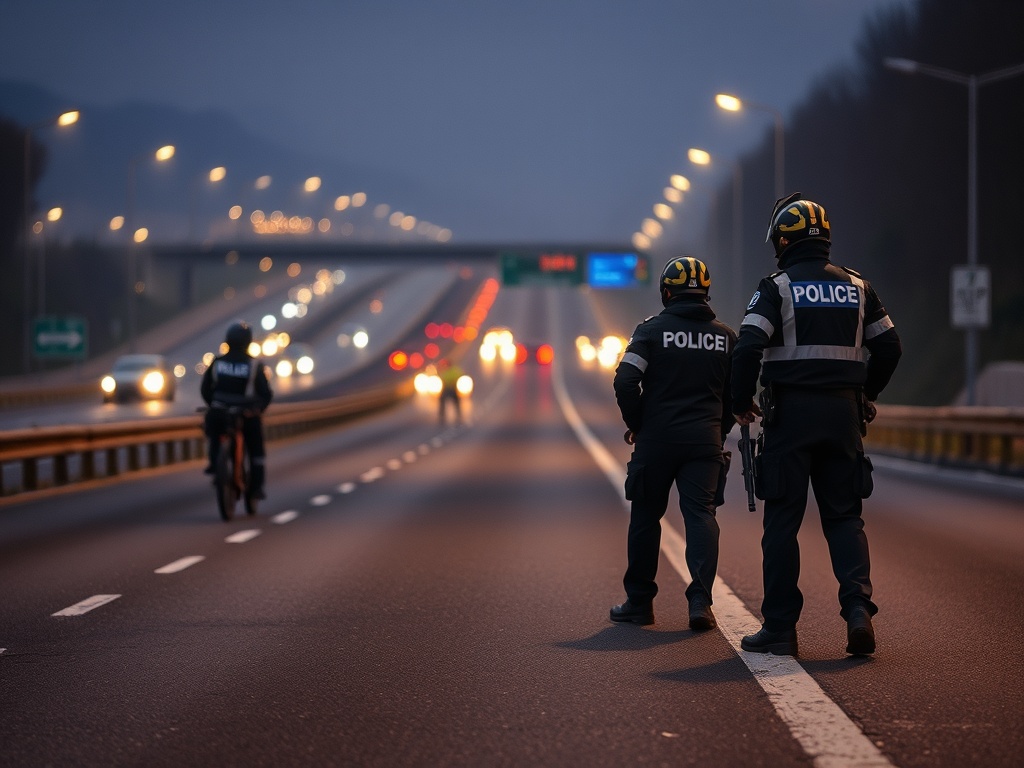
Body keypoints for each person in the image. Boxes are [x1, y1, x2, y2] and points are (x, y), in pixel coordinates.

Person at [732, 193, 902, 657]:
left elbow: (747, 347)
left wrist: (739, 400)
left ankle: (781, 629)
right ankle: (857, 612)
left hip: (790, 419)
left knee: (782, 523)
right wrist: (866, 394)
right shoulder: (857, 286)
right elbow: (889, 348)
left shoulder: (777, 287)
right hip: (843, 417)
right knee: (845, 518)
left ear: (782, 241)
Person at [610, 256, 736, 630]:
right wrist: (720, 428)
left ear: (667, 292)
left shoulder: (650, 332)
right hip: (704, 442)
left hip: (657, 441)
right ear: (706, 293)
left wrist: (638, 424)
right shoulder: (726, 337)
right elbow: (735, 394)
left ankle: (639, 604)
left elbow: (625, 381)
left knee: (647, 517)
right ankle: (700, 602)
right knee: (701, 516)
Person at [201, 321, 274, 499]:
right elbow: (265, 393)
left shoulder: (217, 362)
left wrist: (213, 403)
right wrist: (259, 409)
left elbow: (205, 388)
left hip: (219, 410)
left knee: (213, 431)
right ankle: (256, 487)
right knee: (256, 449)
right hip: (246, 413)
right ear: (248, 342)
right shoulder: (254, 365)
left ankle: (215, 463)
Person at [437, 358, 463, 426]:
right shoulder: (444, 370)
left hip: (452, 388)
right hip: (446, 388)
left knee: (456, 402)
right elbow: (440, 378)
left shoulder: (453, 370)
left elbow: (459, 376)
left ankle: (458, 415)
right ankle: (442, 416)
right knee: (442, 401)